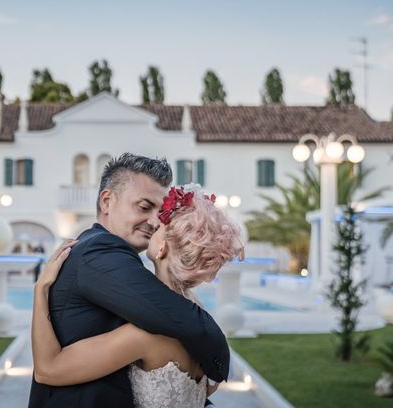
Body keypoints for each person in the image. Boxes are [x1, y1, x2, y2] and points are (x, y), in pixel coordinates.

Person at [28, 153, 239, 407]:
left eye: (161, 215)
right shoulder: (100, 251)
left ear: (161, 249)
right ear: (106, 201)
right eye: (144, 206)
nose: (154, 221)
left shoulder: (155, 328)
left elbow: (48, 367)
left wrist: (39, 292)